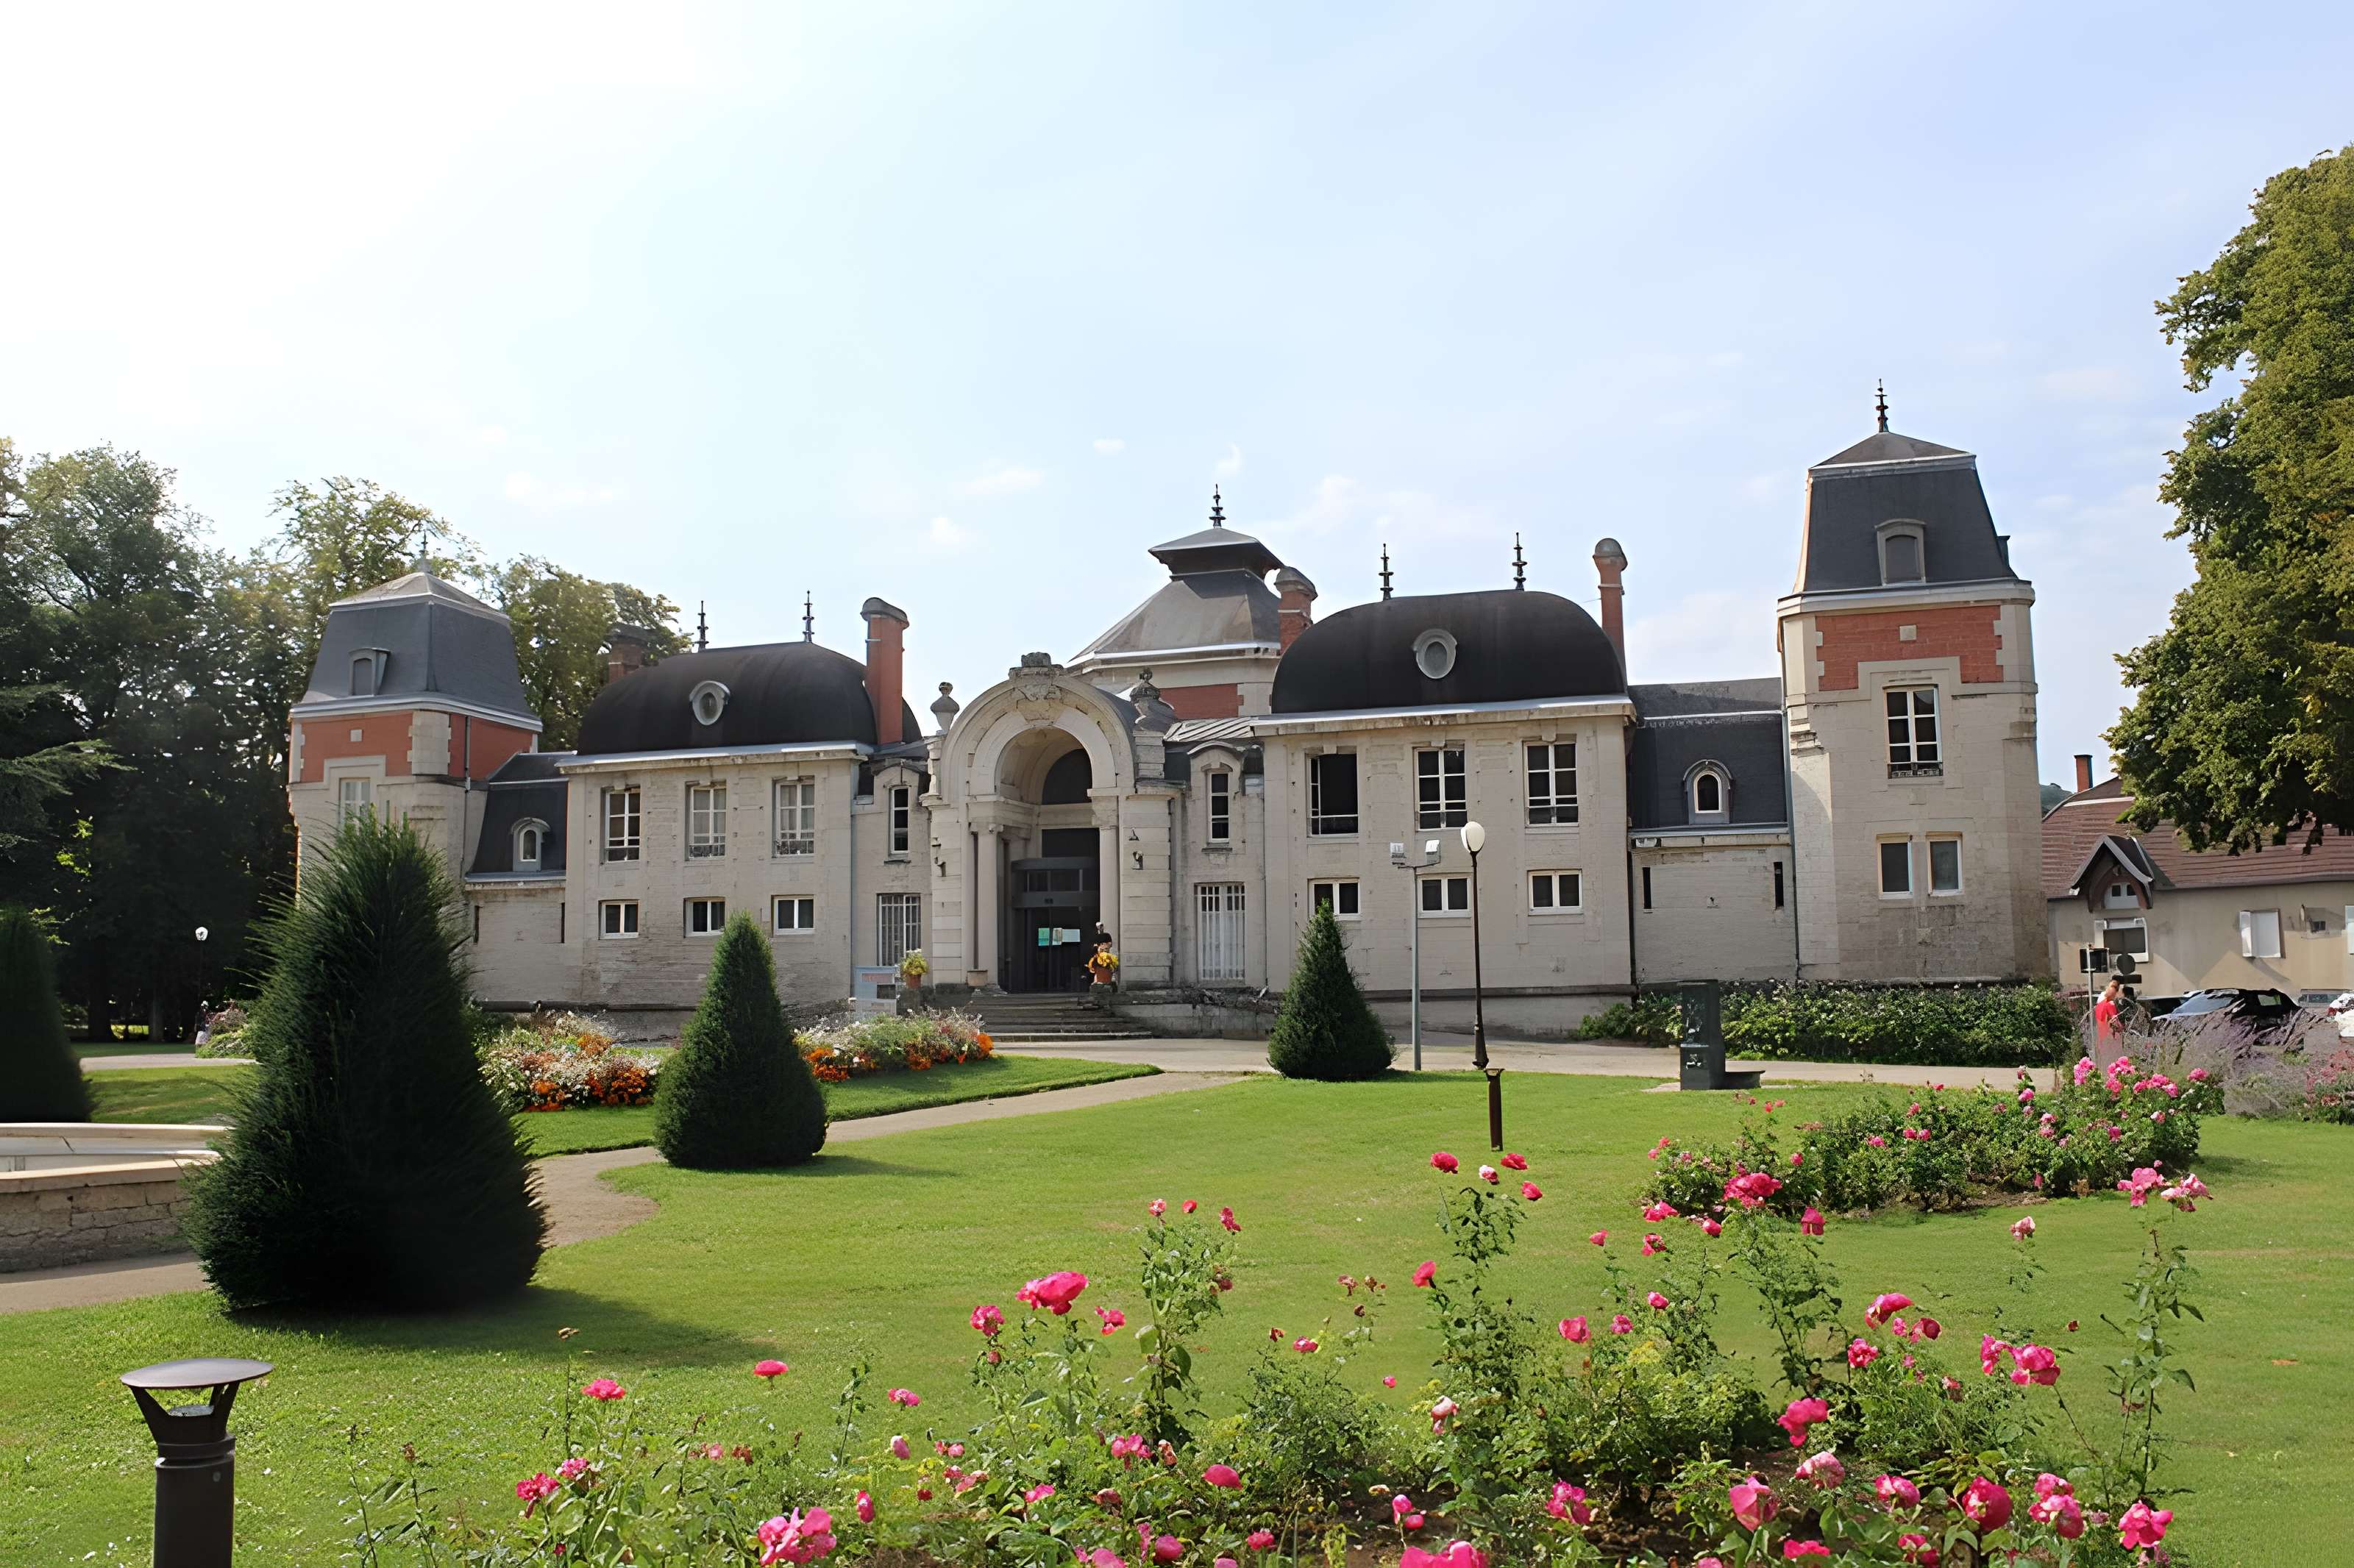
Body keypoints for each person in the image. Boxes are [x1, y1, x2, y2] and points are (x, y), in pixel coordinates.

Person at [2094, 977, 2122, 1041]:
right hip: (2108, 1039)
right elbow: (2117, 1026)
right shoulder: (2110, 1004)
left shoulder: (2100, 1002)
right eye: (2113, 987)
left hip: (2100, 1038)